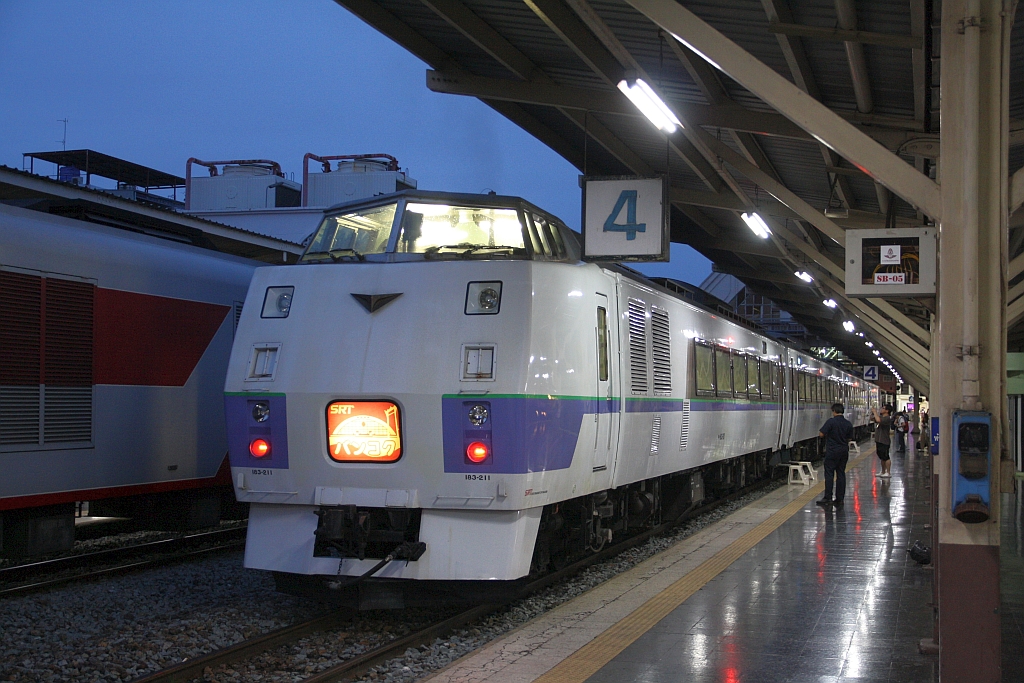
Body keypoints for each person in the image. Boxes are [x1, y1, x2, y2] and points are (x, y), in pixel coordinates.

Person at [817, 403, 855, 509]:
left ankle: (828, 497)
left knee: (829, 474)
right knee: (841, 473)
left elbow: (821, 434)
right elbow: (849, 438)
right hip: (843, 451)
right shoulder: (848, 423)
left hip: (832, 451)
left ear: (834, 411)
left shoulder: (831, 422)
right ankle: (840, 499)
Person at [871, 404, 893, 478]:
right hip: (879, 440)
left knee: (886, 457)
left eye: (883, 408)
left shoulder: (887, 418)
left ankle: (888, 472)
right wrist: (872, 414)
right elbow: (874, 419)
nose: (881, 409)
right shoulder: (881, 417)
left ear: (887, 411)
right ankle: (883, 471)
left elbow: (878, 420)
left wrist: (875, 412)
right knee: (882, 457)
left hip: (884, 441)